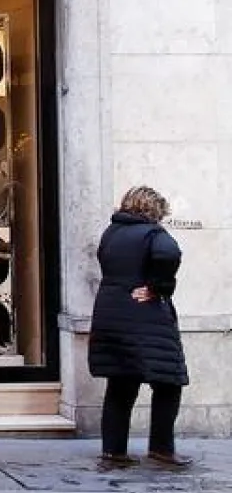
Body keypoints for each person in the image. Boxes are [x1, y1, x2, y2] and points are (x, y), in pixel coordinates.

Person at [88, 185, 191, 469]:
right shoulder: (154, 234)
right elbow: (169, 254)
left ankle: (113, 451)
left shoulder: (111, 233)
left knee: (121, 384)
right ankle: (161, 448)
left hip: (110, 312)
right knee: (169, 383)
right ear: (154, 209)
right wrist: (159, 287)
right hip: (144, 315)